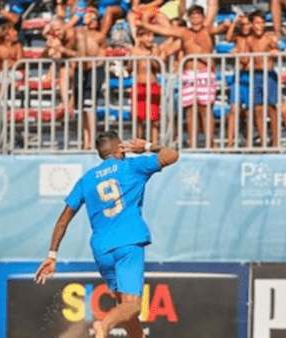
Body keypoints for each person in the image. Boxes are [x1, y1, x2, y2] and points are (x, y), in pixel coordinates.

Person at [35, 132, 179, 338]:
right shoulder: (132, 166)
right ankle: (103, 326)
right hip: (128, 242)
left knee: (124, 306)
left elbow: (63, 219)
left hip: (102, 249)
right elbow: (172, 155)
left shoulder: (87, 179)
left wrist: (52, 254)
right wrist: (147, 145)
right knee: (133, 306)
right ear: (120, 147)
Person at [138, 1, 229, 148]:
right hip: (188, 74)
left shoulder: (208, 30)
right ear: (189, 19)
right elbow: (163, 31)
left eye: (198, 16)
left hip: (204, 73)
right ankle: (192, 143)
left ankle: (210, 142)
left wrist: (227, 25)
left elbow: (223, 28)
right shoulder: (183, 32)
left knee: (206, 109)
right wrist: (145, 22)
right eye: (192, 17)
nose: (195, 19)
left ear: (203, 17)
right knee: (190, 110)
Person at [74, 7, 115, 149]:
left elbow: (100, 56)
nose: (92, 19)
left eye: (94, 17)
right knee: (83, 108)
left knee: (89, 105)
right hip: (82, 70)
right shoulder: (79, 33)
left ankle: (91, 141)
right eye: (89, 16)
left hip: (95, 70)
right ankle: (85, 140)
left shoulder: (99, 36)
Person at [246, 11, 281, 148]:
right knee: (258, 109)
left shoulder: (269, 38)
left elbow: (277, 51)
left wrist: (275, 50)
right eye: (256, 23)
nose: (259, 26)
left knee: (272, 108)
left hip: (269, 73)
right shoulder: (249, 40)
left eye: (262, 22)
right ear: (252, 25)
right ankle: (262, 140)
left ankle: (275, 141)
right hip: (255, 75)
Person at [127, 28, 163, 144]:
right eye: (147, 36)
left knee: (154, 117)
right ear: (140, 38)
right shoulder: (134, 50)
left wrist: (152, 59)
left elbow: (159, 68)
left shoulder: (155, 49)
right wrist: (131, 61)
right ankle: (138, 142)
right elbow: (129, 69)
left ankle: (155, 143)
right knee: (138, 117)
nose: (150, 39)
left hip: (152, 84)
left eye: (152, 36)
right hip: (139, 85)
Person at [41, 17, 79, 114]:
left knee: (70, 68)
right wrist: (48, 45)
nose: (57, 33)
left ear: (65, 27)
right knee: (63, 69)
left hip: (80, 67)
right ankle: (65, 103)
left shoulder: (74, 35)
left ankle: (70, 103)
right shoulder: (55, 37)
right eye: (54, 31)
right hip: (66, 67)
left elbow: (79, 55)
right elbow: (43, 57)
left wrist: (61, 50)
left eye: (58, 30)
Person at [225, 13, 251, 148]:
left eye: (247, 24)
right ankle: (229, 143)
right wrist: (235, 22)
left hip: (252, 76)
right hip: (239, 76)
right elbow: (228, 37)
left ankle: (249, 142)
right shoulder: (239, 38)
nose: (245, 27)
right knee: (234, 110)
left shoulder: (254, 38)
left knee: (250, 112)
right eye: (243, 24)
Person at [0, 24, 24, 111]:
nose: (16, 32)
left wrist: (12, 64)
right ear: (6, 35)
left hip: (16, 72)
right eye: (13, 31)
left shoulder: (17, 46)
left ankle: (0, 102)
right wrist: (2, 69)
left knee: (3, 77)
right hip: (2, 72)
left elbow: (20, 62)